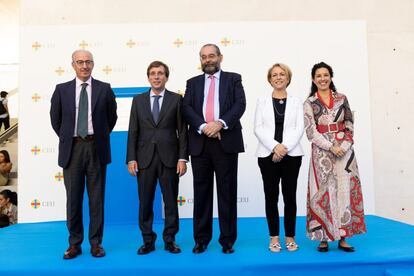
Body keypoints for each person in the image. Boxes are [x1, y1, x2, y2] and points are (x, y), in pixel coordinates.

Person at [50, 49, 117, 259]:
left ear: (93, 64)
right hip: (72, 148)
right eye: (80, 62)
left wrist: (98, 136)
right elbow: (56, 120)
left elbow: (111, 118)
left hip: (96, 146)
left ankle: (96, 243)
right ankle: (74, 244)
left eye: (88, 62)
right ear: (73, 65)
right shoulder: (61, 90)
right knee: (73, 199)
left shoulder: (105, 89)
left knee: (96, 198)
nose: (84, 66)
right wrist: (71, 137)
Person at [182, 44, 246, 254]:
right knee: (201, 193)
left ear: (220, 57)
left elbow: (239, 105)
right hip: (200, 143)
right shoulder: (192, 83)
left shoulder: (233, 79)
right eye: (203, 57)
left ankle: (227, 241)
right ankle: (201, 239)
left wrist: (219, 123)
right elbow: (187, 108)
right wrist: (203, 127)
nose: (207, 60)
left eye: (211, 56)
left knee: (227, 193)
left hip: (225, 141)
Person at [304, 62, 366, 253]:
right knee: (323, 192)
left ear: (331, 77)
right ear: (313, 80)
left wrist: (344, 146)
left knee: (345, 191)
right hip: (321, 151)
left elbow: (349, 123)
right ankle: (322, 237)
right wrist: (331, 146)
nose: (322, 79)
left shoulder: (342, 99)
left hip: (345, 152)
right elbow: (310, 131)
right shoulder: (309, 102)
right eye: (318, 76)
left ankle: (344, 236)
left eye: (326, 75)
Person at [126, 61, 188, 255]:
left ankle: (170, 239)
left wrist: (182, 158)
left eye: (160, 73)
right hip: (144, 159)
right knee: (145, 202)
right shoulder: (138, 100)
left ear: (166, 77)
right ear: (148, 77)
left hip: (170, 158)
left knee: (170, 201)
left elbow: (183, 131)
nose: (156, 76)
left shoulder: (177, 99)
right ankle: (148, 240)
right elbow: (133, 131)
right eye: (153, 73)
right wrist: (131, 158)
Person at [254, 63, 304, 252]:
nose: (278, 77)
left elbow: (299, 128)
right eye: (274, 75)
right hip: (267, 155)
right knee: (271, 196)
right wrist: (275, 147)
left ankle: (290, 236)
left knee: (290, 197)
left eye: (282, 74)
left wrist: (284, 148)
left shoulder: (297, 101)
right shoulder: (262, 101)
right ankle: (274, 237)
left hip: (292, 155)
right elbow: (257, 127)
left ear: (288, 78)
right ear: (269, 79)